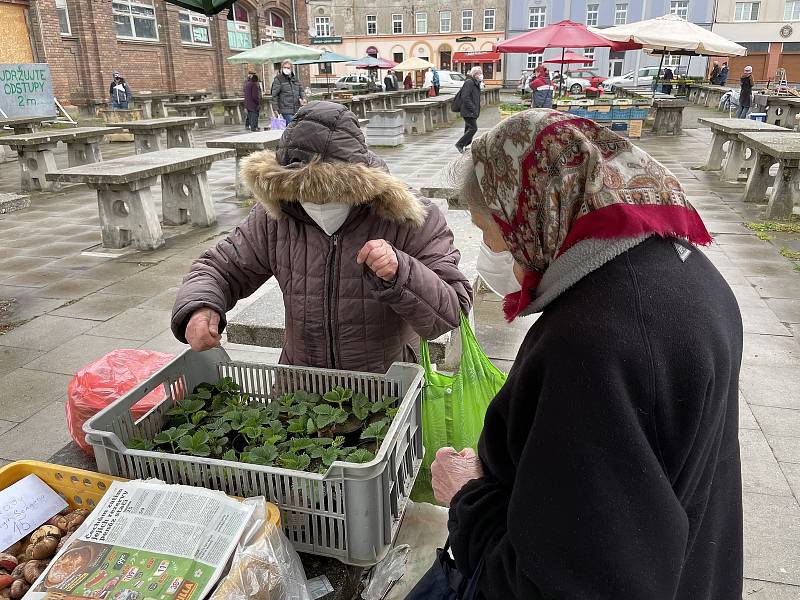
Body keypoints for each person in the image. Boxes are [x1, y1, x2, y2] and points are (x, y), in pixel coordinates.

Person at [431, 110, 743, 600]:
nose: (488, 246)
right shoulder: (682, 269)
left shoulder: (592, 343)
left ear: (534, 209)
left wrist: (467, 499)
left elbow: (560, 583)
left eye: (488, 227)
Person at [171, 101, 472, 373]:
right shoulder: (276, 215)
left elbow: (451, 311)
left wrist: (401, 272)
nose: (316, 204)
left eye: (331, 194)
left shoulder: (410, 216)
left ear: (358, 183)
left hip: (385, 388)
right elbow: (219, 268)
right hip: (301, 392)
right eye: (300, 192)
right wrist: (200, 307)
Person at [454, 66, 482, 154]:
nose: (481, 75)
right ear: (474, 74)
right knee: (473, 128)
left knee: (468, 128)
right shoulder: (469, 82)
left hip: (472, 110)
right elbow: (465, 97)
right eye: (479, 73)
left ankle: (467, 146)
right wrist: (473, 109)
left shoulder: (475, 83)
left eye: (481, 73)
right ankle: (460, 144)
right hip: (468, 110)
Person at [271, 59, 305, 125]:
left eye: (288, 68)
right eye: (285, 67)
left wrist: (303, 98)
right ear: (282, 68)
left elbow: (301, 90)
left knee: (295, 127)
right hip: (285, 108)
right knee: (292, 126)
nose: (286, 69)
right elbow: (274, 95)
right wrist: (275, 109)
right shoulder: (278, 79)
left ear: (291, 69)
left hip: (296, 108)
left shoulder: (295, 79)